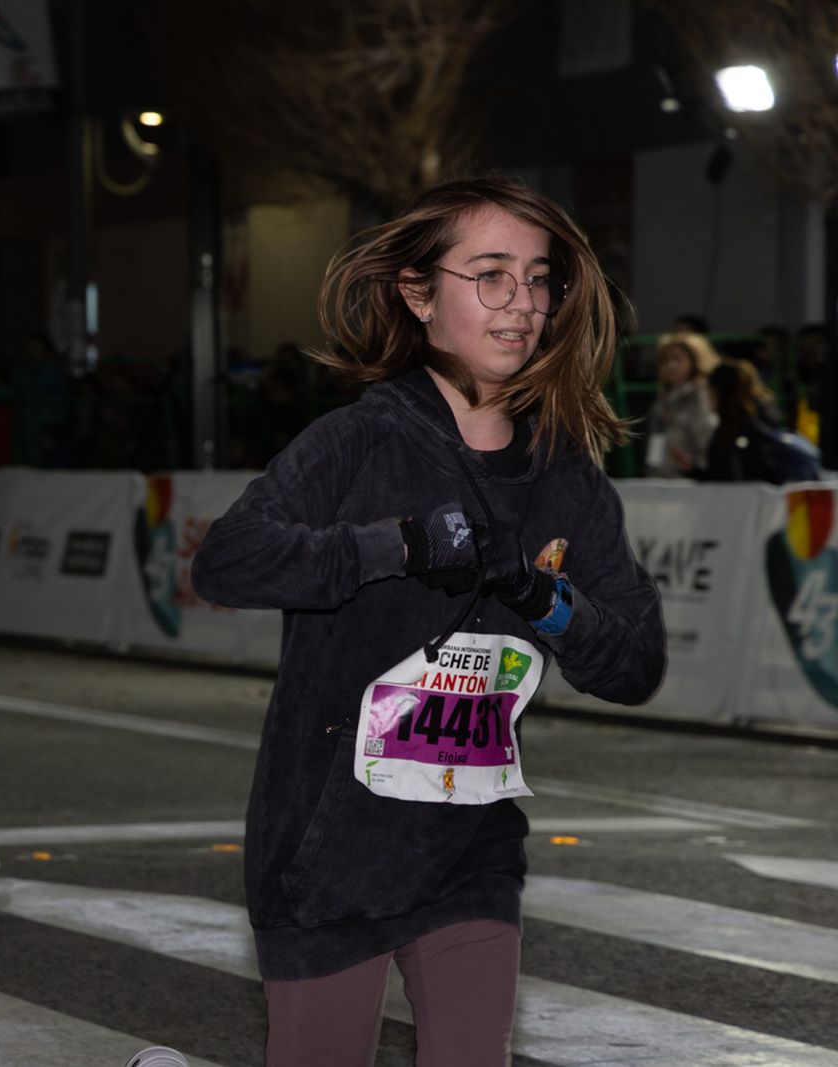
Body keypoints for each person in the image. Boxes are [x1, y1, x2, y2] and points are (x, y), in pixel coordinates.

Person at [190, 178, 665, 1066]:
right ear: (418, 294)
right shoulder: (356, 443)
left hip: (471, 847)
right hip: (329, 852)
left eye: (537, 278)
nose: (521, 303)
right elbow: (227, 559)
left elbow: (634, 663)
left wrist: (543, 596)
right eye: (490, 274)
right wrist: (397, 545)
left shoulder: (567, 479)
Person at [692, 358, 785, 483]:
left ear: (721, 393)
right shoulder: (728, 428)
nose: (708, 397)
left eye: (711, 391)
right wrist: (693, 470)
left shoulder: (749, 433)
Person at [645, 331, 719, 476]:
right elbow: (656, 439)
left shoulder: (701, 396)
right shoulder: (663, 399)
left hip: (693, 479)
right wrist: (652, 471)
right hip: (662, 478)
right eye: (665, 360)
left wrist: (699, 470)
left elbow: (705, 437)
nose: (671, 366)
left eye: (678, 359)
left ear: (695, 361)